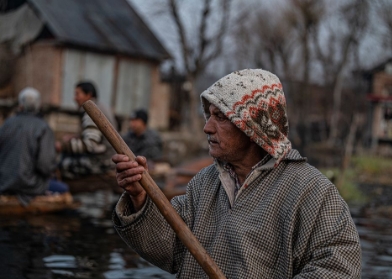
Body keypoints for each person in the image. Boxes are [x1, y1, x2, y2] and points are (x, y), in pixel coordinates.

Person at [111, 69, 362, 278]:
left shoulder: (312, 192)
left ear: (253, 126)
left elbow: (339, 268)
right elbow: (169, 248)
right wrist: (140, 196)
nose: (207, 127)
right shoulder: (204, 183)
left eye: (220, 117)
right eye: (209, 115)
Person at [0, 87, 68, 204]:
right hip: (28, 185)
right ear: (39, 105)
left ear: (20, 105)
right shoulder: (43, 127)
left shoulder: (7, 124)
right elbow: (45, 165)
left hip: (3, 183)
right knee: (63, 188)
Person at [56, 81, 117, 179]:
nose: (74, 98)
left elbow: (90, 144)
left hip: (103, 161)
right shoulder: (100, 107)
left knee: (62, 163)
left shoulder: (92, 112)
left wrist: (62, 146)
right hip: (108, 158)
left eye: (77, 94)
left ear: (88, 95)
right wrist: (75, 137)